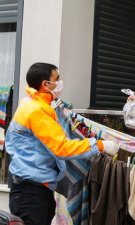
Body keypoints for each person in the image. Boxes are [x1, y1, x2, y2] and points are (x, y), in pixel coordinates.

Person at [5, 63, 120, 225]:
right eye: (57, 79)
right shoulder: (37, 111)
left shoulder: (30, 104)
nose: (60, 82)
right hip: (31, 193)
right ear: (45, 84)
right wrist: (100, 145)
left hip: (33, 189)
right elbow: (61, 147)